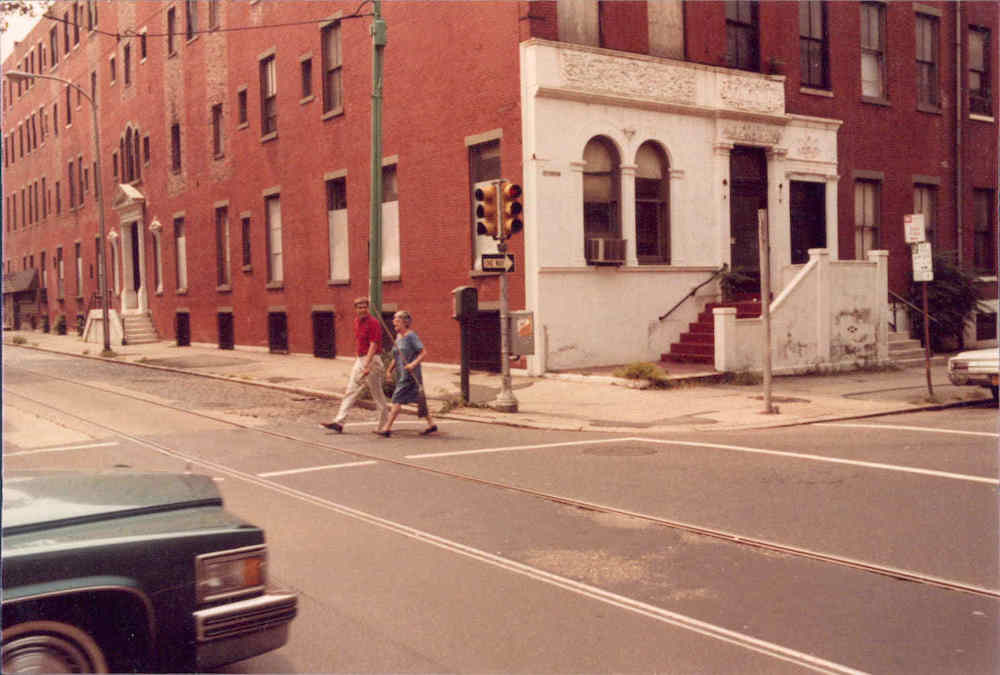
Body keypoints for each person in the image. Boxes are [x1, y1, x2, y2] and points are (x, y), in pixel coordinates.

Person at [321, 297, 388, 433]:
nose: (362, 309)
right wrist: (360, 361)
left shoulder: (374, 323)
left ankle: (384, 425)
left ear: (367, 308)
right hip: (361, 359)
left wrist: (367, 365)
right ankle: (339, 422)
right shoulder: (357, 321)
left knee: (377, 394)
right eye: (359, 307)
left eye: (364, 307)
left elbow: (373, 345)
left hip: (372, 360)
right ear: (355, 309)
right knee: (351, 390)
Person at [376, 310, 437, 437]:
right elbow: (396, 355)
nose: (394, 322)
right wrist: (389, 370)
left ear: (405, 322)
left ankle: (387, 428)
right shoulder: (398, 337)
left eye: (397, 320)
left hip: (411, 375)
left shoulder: (411, 336)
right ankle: (431, 424)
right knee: (418, 400)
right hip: (401, 374)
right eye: (394, 320)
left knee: (396, 399)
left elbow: (423, 352)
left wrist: (413, 364)